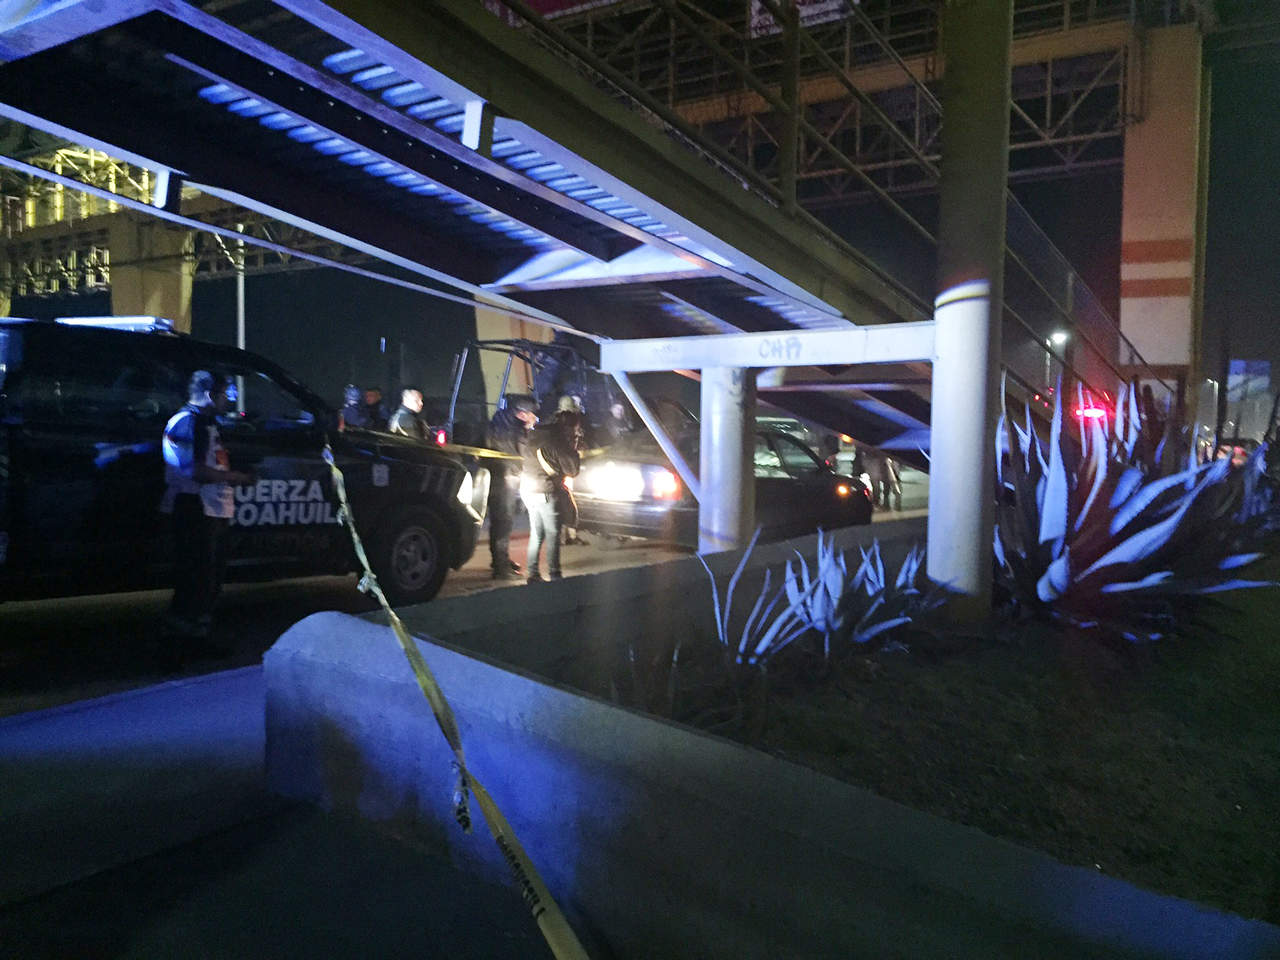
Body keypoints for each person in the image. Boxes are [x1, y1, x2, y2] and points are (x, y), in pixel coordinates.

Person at [159, 371, 254, 661]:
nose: (228, 400)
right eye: (224, 394)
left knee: (209, 579)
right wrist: (236, 477)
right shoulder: (186, 422)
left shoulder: (207, 422)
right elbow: (193, 470)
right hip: (195, 508)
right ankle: (180, 643)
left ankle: (197, 635)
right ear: (210, 394)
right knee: (196, 578)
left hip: (212, 508)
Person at [521, 410, 581, 583]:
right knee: (553, 534)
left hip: (528, 489)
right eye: (575, 429)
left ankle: (533, 573)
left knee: (537, 533)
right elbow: (572, 470)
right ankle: (555, 574)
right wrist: (573, 447)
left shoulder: (535, 435)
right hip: (545, 491)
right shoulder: (557, 441)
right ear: (569, 427)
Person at [486, 395, 538, 580]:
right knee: (504, 522)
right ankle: (501, 569)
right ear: (522, 414)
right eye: (531, 414)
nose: (534, 417)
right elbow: (523, 452)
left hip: (496, 477)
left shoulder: (500, 420)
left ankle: (500, 560)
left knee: (498, 522)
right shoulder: (514, 429)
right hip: (506, 479)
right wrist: (528, 429)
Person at [554, 396, 590, 546]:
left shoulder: (572, 422)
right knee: (564, 502)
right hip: (563, 467)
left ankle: (571, 534)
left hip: (569, 465)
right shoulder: (560, 425)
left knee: (570, 502)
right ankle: (563, 536)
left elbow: (579, 440)